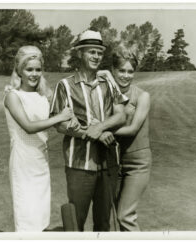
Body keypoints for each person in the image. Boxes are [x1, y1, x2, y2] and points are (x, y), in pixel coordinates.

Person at [50, 30, 128, 231]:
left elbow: (121, 115)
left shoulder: (108, 84)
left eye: (99, 53)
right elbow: (58, 124)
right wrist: (92, 133)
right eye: (91, 52)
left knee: (103, 223)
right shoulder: (65, 85)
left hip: (108, 163)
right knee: (76, 222)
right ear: (79, 54)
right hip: (79, 164)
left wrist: (100, 127)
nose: (96, 57)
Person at [3, 46, 73, 232]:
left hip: (41, 161)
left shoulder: (43, 96)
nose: (34, 74)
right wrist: (59, 117)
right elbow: (28, 127)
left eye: (38, 69)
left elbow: (60, 121)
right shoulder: (12, 96)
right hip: (23, 161)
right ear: (19, 70)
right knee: (27, 217)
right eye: (29, 69)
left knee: (40, 217)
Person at [98, 46, 152, 231]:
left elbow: (132, 129)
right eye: (121, 70)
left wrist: (103, 130)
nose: (126, 76)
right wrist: (104, 73)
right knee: (116, 214)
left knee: (125, 216)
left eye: (130, 71)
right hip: (114, 161)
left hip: (137, 163)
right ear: (113, 70)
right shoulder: (108, 94)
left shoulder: (142, 96)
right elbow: (94, 75)